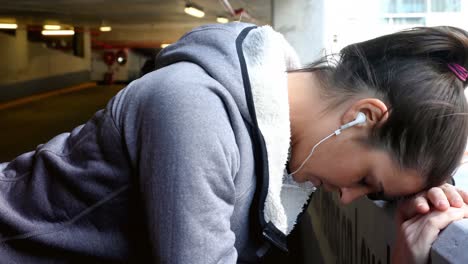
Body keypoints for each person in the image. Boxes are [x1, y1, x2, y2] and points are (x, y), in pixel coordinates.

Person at [0, 22, 467, 264]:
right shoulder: (194, 112)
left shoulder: (265, 137)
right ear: (361, 117)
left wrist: (420, 194)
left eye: (374, 194)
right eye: (366, 180)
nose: (347, 197)